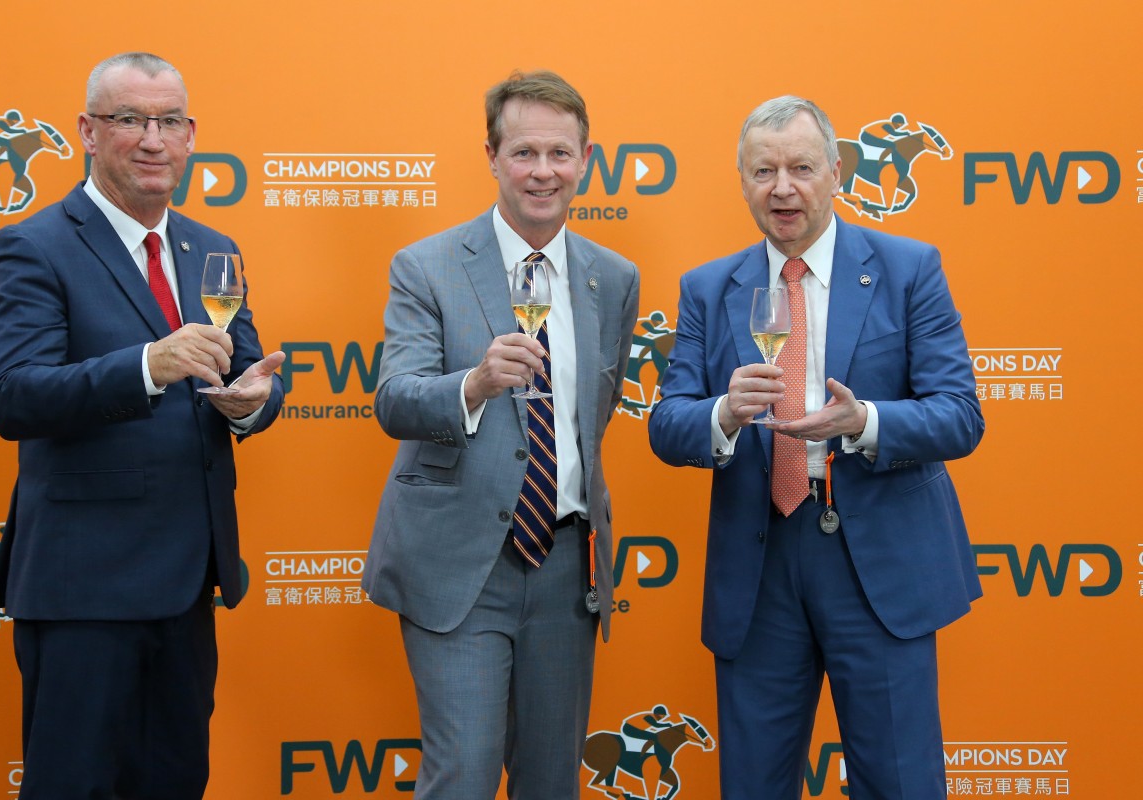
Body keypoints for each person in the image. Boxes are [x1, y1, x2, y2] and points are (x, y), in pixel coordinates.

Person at [648, 95, 983, 799]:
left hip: (879, 570)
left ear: (836, 172)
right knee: (753, 785)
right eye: (763, 171)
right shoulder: (710, 290)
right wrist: (723, 414)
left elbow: (959, 416)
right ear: (742, 181)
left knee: (901, 784)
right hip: (760, 565)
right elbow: (666, 423)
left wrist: (863, 423)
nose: (783, 189)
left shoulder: (908, 269)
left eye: (801, 168)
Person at [0, 51, 285, 799]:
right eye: (129, 120)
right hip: (84, 587)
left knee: (176, 782)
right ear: (87, 131)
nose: (152, 139)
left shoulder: (213, 248)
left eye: (168, 121)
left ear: (190, 135)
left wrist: (251, 404)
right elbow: (14, 396)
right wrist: (149, 365)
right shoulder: (33, 245)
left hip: (189, 582)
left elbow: (246, 370)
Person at [362, 69, 640, 800]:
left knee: (552, 782)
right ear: (490, 156)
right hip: (460, 568)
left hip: (566, 568)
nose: (542, 172)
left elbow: (593, 418)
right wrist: (475, 384)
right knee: (463, 775)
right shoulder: (426, 265)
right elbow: (394, 399)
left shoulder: (613, 278)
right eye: (523, 153)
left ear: (585, 159)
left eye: (559, 153)